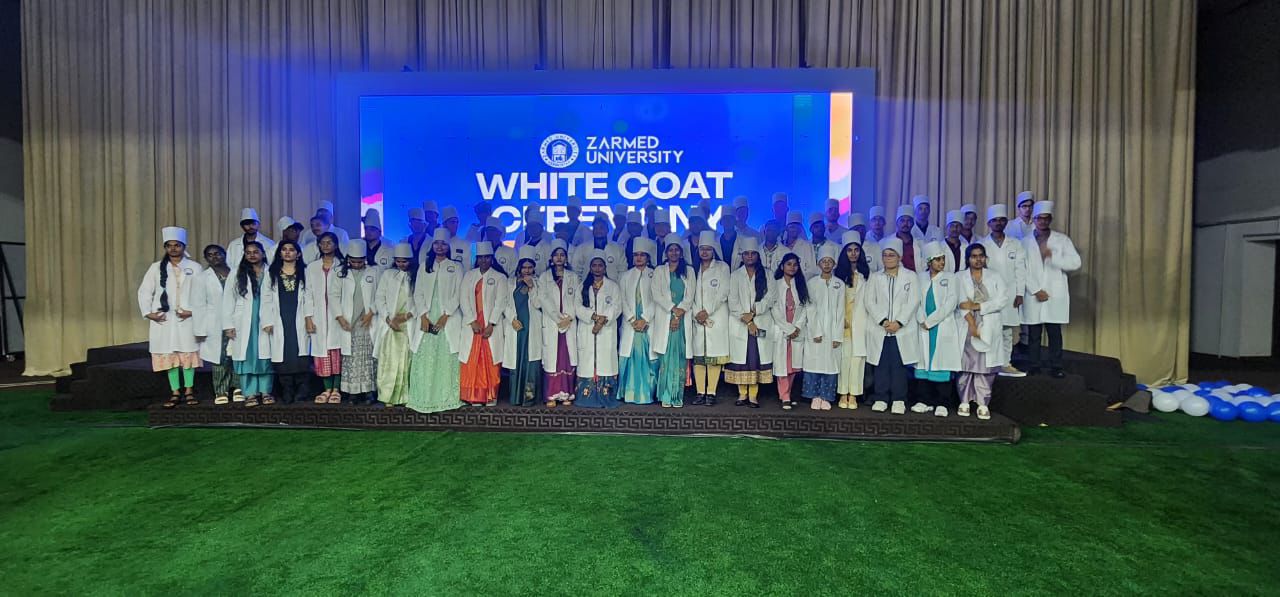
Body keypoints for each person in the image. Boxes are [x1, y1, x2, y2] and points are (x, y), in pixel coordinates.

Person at [138, 227, 204, 407]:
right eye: (169, 245)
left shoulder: (195, 267)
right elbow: (145, 291)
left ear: (184, 246)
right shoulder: (156, 267)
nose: (173, 249)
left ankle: (189, 391)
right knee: (170, 355)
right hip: (164, 319)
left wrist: (193, 311)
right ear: (165, 247)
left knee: (188, 354)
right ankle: (175, 392)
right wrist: (148, 313)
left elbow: (202, 294)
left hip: (187, 318)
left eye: (177, 245)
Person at [1022, 200, 1081, 378]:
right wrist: (1035, 290)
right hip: (1033, 294)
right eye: (1039, 218)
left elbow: (1076, 263)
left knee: (1054, 333)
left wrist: (1052, 256)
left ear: (1050, 220)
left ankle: (1056, 366)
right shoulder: (1024, 242)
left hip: (1055, 293)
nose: (1042, 221)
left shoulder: (1062, 240)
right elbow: (1021, 269)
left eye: (1046, 218)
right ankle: (1034, 365)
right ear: (1034, 219)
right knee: (1034, 334)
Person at [863, 238, 921, 415]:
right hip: (880, 328)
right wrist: (883, 321)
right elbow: (869, 301)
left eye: (892, 255)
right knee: (881, 365)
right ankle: (881, 398)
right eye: (885, 255)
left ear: (900, 257)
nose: (888, 258)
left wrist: (899, 322)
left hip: (901, 329)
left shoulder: (910, 276)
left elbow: (914, 301)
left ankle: (898, 399)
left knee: (898, 366)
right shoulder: (875, 277)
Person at [408, 233, 463, 413]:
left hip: (449, 318)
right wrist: (423, 315)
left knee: (446, 355)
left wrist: (446, 315)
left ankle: (445, 398)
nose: (440, 247)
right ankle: (424, 398)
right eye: (436, 243)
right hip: (427, 316)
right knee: (425, 355)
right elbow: (418, 292)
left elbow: (458, 293)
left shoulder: (456, 267)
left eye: (443, 244)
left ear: (448, 246)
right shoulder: (425, 266)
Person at [955, 243, 1010, 419]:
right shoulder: (959, 277)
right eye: (974, 256)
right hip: (966, 322)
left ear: (985, 258)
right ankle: (964, 401)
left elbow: (1003, 299)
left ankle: (982, 403)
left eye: (981, 256)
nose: (978, 259)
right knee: (967, 364)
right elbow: (959, 303)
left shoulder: (995, 276)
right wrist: (971, 321)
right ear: (968, 259)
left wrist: (979, 306)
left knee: (985, 366)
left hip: (989, 322)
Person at [978, 204, 1029, 377]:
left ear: (1006, 222)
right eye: (994, 220)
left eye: (1001, 220)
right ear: (989, 223)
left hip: (1010, 294)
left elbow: (1020, 270)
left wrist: (1020, 293)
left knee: (1007, 331)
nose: (998, 223)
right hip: (989, 295)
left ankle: (1005, 364)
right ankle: (990, 363)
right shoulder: (982, 244)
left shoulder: (1016, 244)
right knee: (990, 330)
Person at [912, 242, 961, 417]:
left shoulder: (951, 278)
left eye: (943, 259)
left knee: (941, 365)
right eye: (938, 259)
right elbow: (915, 300)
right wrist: (921, 319)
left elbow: (951, 303)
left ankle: (942, 402)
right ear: (929, 261)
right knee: (923, 365)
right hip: (923, 326)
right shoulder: (920, 278)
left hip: (942, 326)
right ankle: (924, 401)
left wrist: (931, 321)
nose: (942, 263)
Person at [725, 238, 774, 408]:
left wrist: (753, 313)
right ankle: (742, 394)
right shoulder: (735, 275)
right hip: (740, 323)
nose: (750, 256)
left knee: (756, 360)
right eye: (746, 254)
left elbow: (771, 297)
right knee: (742, 361)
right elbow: (732, 300)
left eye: (753, 253)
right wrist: (747, 320)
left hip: (760, 320)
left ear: (758, 256)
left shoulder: (767, 274)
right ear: (742, 256)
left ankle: (753, 395)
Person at [263, 241, 312, 405]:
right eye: (284, 249)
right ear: (279, 253)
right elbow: (266, 299)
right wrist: (267, 321)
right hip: (279, 318)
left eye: (291, 250)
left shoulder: (305, 272)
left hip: (300, 318)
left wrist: (309, 318)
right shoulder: (271, 273)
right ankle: (287, 391)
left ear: (298, 254)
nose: (288, 252)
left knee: (300, 355)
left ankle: (302, 391)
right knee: (283, 356)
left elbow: (310, 297)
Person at [226, 241, 274, 407]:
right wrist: (228, 325)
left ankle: (266, 392)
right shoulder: (236, 272)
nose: (252, 255)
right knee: (246, 357)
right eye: (248, 252)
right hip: (243, 321)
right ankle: (250, 393)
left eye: (255, 252)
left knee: (265, 357)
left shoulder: (271, 272)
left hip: (266, 320)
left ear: (263, 253)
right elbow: (228, 300)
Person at [574, 251, 623, 408]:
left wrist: (602, 321)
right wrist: (593, 317)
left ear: (605, 267)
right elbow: (577, 307)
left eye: (600, 265)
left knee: (606, 361)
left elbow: (617, 306)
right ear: (590, 268)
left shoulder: (613, 286)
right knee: (587, 362)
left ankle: (606, 398)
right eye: (594, 265)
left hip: (605, 330)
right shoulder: (582, 286)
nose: (597, 268)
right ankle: (587, 398)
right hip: (587, 329)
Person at [651, 234, 694, 408]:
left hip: (682, 320)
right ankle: (665, 395)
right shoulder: (659, 271)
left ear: (681, 253)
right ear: (666, 252)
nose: (674, 253)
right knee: (666, 358)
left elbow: (690, 296)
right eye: (671, 250)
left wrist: (678, 314)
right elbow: (656, 294)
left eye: (677, 250)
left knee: (679, 358)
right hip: (665, 318)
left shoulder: (689, 271)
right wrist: (672, 309)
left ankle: (677, 396)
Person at [334, 240, 379, 404]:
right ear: (348, 259)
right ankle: (352, 393)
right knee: (351, 358)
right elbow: (333, 295)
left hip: (366, 321)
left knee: (367, 357)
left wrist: (371, 312)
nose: (357, 264)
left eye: (360, 261)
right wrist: (340, 317)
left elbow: (380, 294)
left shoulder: (374, 271)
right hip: (348, 322)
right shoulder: (340, 273)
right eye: (354, 261)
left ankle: (368, 392)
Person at [689, 231, 731, 406]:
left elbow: (723, 292)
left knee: (713, 358)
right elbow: (688, 294)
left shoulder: (722, 267)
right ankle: (700, 392)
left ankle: (711, 392)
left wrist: (707, 311)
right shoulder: (692, 269)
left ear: (714, 250)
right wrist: (697, 313)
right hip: (697, 318)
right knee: (699, 357)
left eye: (708, 249)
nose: (705, 252)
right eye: (702, 249)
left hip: (716, 316)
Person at [196, 244, 241, 405]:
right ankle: (221, 390)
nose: (214, 257)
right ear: (206, 259)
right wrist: (199, 329)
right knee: (220, 357)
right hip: (214, 323)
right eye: (210, 255)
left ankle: (238, 387)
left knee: (238, 354)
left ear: (224, 254)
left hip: (237, 320)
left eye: (217, 253)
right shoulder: (202, 278)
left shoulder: (237, 273)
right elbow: (198, 305)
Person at [537, 240, 580, 406]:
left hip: (568, 323)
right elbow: (543, 300)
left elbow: (577, 300)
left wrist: (569, 318)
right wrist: (558, 319)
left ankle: (567, 394)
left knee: (566, 358)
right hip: (552, 323)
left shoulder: (573, 277)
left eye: (562, 255)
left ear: (566, 258)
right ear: (551, 258)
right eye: (556, 255)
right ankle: (552, 395)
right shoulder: (544, 277)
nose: (559, 258)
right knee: (552, 359)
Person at [374, 243, 417, 406]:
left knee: (406, 361)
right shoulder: (388, 275)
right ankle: (388, 397)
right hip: (390, 326)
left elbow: (420, 299)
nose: (401, 264)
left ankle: (405, 397)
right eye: (398, 261)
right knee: (389, 362)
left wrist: (407, 316)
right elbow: (380, 297)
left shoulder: (416, 276)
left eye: (404, 261)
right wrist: (388, 319)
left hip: (408, 325)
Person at [803, 244, 845, 410]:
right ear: (818, 263)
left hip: (833, 331)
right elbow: (810, 308)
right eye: (823, 261)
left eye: (829, 261)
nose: (826, 264)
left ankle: (826, 397)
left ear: (834, 264)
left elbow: (841, 311)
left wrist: (837, 335)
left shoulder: (839, 284)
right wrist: (816, 331)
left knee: (830, 364)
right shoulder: (812, 283)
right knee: (815, 363)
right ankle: (814, 396)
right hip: (815, 331)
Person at [618, 237, 659, 405]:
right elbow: (621, 299)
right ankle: (629, 394)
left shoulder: (655, 274)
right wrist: (632, 319)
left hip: (648, 324)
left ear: (648, 257)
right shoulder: (626, 276)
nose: (639, 258)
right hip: (631, 325)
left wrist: (645, 319)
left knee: (649, 358)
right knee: (629, 355)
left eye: (642, 255)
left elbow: (658, 299)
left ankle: (647, 394)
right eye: (636, 255)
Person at [502, 246, 544, 406]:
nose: (527, 270)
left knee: (531, 362)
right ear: (519, 268)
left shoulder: (539, 283)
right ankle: (516, 397)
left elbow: (539, 303)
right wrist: (512, 319)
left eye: (530, 267)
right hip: (516, 327)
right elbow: (504, 302)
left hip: (531, 328)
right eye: (524, 267)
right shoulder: (509, 282)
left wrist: (532, 287)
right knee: (516, 362)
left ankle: (529, 398)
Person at [305, 232, 344, 403]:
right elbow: (307, 293)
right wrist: (308, 317)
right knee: (322, 353)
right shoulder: (312, 267)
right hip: (318, 315)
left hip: (338, 316)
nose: (326, 246)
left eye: (329, 242)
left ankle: (337, 389)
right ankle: (327, 389)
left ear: (336, 245)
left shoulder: (342, 265)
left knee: (337, 353)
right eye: (323, 243)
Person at [834, 230, 870, 409]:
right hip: (843, 323)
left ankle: (854, 394)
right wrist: (841, 319)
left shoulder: (867, 275)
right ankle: (842, 393)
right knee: (844, 359)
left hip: (861, 323)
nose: (853, 253)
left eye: (856, 250)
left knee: (857, 360)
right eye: (849, 250)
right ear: (844, 252)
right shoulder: (838, 275)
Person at [770, 252, 809, 410]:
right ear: (782, 266)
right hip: (782, 329)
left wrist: (797, 327)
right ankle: (785, 396)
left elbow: (805, 307)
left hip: (797, 330)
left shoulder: (800, 284)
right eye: (789, 264)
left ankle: (788, 393)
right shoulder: (775, 284)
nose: (792, 267)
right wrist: (788, 328)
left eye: (795, 264)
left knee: (793, 366)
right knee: (782, 365)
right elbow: (774, 310)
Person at [572, 212, 625, 281]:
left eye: (601, 228)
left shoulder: (617, 249)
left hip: (613, 286)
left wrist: (616, 286)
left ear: (607, 229)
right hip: (588, 287)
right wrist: (581, 286)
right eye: (596, 228)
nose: (598, 230)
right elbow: (575, 270)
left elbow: (623, 271)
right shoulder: (582, 248)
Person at [515, 211, 552, 275]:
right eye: (530, 226)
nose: (533, 229)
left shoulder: (548, 247)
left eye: (535, 226)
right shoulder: (523, 247)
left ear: (541, 228)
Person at [892, 204, 927, 272]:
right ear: (897, 223)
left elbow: (925, 265)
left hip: (916, 277)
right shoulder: (886, 242)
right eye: (902, 221)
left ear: (913, 223)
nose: (905, 224)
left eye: (909, 221)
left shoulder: (921, 244)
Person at [782, 210, 816, 276]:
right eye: (792, 227)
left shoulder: (807, 246)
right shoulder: (780, 245)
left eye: (797, 227)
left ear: (800, 229)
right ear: (786, 228)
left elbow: (812, 270)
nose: (794, 230)